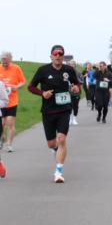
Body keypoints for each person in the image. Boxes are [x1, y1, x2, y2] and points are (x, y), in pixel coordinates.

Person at [28, 44, 81, 183]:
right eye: (55, 54)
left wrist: (76, 88)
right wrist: (42, 93)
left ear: (63, 56)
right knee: (51, 144)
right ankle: (56, 150)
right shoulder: (43, 70)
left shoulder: (68, 70)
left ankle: (58, 172)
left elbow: (77, 84)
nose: (58, 56)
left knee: (62, 139)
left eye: (60, 54)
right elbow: (31, 87)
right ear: (51, 56)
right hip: (48, 111)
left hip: (64, 109)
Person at [0, 51, 26, 152]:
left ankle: (9, 144)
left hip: (12, 101)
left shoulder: (16, 68)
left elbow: (23, 81)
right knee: (1, 124)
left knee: (10, 123)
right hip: (0, 101)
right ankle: (2, 138)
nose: (4, 62)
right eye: (2, 60)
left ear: (10, 59)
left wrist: (16, 87)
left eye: (6, 60)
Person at [67, 60, 81, 126]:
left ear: (75, 65)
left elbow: (82, 80)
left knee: (75, 105)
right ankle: (70, 119)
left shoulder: (78, 72)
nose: (72, 65)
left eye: (73, 64)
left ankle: (74, 118)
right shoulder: (65, 73)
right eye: (70, 64)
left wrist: (76, 83)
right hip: (68, 91)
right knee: (69, 105)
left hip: (76, 91)